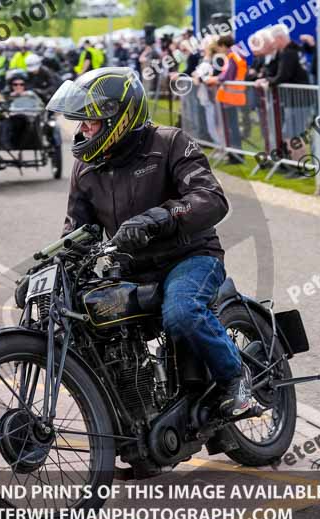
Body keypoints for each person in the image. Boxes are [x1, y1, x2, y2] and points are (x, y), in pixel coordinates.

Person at [47, 67, 252, 419]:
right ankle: (136, 422)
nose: (82, 130)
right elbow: (75, 233)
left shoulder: (170, 143)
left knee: (182, 312)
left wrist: (161, 218)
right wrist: (49, 270)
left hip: (190, 257)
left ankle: (236, 377)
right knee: (90, 328)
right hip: (132, 269)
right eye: (80, 123)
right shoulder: (86, 169)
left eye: (89, 123)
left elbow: (211, 198)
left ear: (118, 117)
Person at [256, 24, 310, 166]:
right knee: (290, 134)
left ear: (280, 38)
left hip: (298, 100)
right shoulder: (294, 49)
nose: (273, 43)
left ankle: (302, 166)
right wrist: (268, 80)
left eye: (274, 40)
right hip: (295, 99)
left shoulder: (289, 52)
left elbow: (283, 75)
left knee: (293, 135)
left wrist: (268, 82)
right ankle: (297, 165)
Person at [205, 34, 246, 163]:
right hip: (232, 97)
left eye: (219, 47)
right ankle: (234, 154)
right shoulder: (235, 55)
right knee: (232, 127)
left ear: (223, 46)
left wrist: (213, 79)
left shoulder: (232, 56)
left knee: (232, 128)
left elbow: (226, 76)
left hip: (231, 97)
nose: (219, 50)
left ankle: (236, 155)